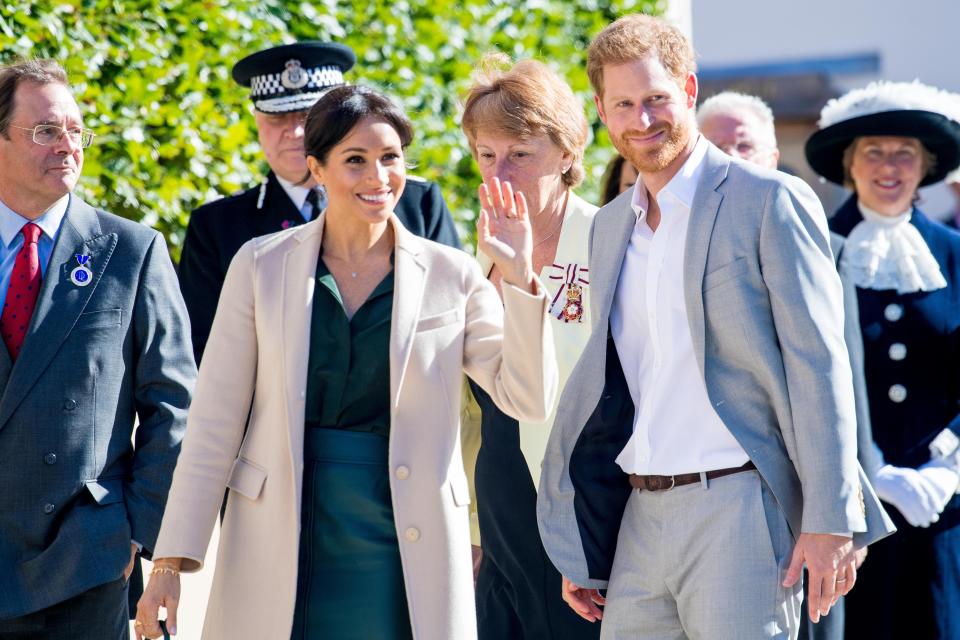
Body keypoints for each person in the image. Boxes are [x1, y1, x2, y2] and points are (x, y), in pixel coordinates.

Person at [135, 85, 557, 640]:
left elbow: (526, 396)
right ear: (317, 169)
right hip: (284, 529)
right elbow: (214, 419)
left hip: (407, 537)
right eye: (355, 161)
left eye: (390, 158)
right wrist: (170, 562)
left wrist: (522, 277)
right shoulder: (260, 266)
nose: (378, 177)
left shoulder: (453, 274)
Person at [536, 14, 894, 639]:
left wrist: (831, 519)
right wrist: (582, 536)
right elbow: (611, 384)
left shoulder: (768, 200)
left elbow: (819, 362)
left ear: (690, 89)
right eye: (623, 104)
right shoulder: (609, 225)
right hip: (638, 519)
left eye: (656, 99)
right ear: (600, 110)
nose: (642, 120)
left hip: (741, 507)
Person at [0, 60, 195, 639]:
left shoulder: (130, 251)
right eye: (45, 131)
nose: (68, 145)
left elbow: (174, 402)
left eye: (76, 130)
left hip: (83, 560)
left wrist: (136, 531)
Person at [698, 89, 879, 640]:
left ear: (773, 158)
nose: (731, 158)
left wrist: (848, 511)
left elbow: (838, 378)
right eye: (716, 147)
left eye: (744, 144)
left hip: (810, 498)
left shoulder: (817, 240)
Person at [178, 41, 461, 364]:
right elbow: (202, 350)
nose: (296, 132)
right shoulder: (218, 227)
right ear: (257, 121)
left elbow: (451, 319)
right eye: (277, 118)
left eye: (308, 117)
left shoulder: (416, 203)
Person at [805, 80, 960, 640]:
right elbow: (806, 371)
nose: (889, 166)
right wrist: (868, 471)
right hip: (846, 513)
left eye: (905, 154)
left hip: (940, 503)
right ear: (850, 164)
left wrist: (947, 466)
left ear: (926, 167)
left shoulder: (955, 252)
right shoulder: (815, 248)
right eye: (874, 151)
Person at [459, 54, 599, 640]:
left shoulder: (609, 237)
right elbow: (473, 409)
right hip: (498, 517)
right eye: (486, 156)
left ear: (567, 153)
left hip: (585, 511)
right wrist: (469, 530)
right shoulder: (484, 253)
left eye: (520, 154)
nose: (500, 173)